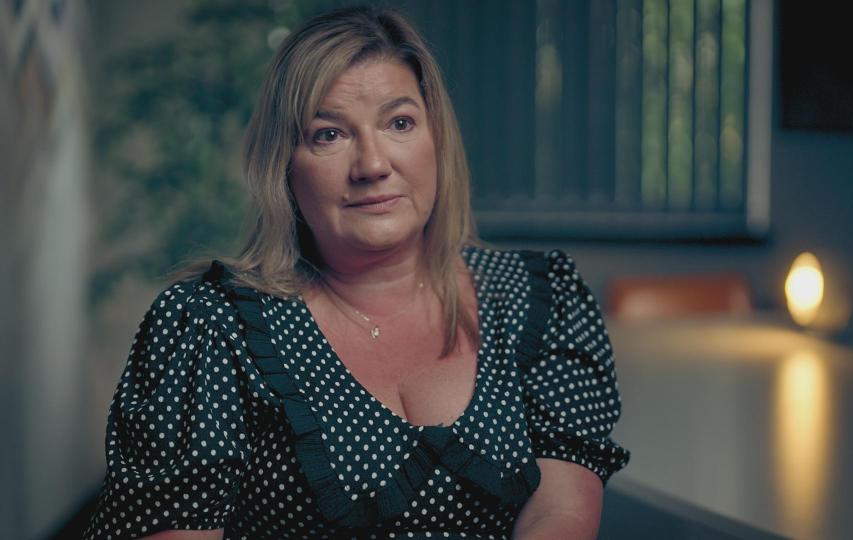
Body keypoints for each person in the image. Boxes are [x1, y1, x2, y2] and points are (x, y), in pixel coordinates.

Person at [83, 6, 629, 539]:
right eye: (329, 134)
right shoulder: (210, 325)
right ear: (283, 166)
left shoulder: (540, 298)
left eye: (399, 122)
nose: (372, 165)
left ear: (437, 138)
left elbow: (560, 512)